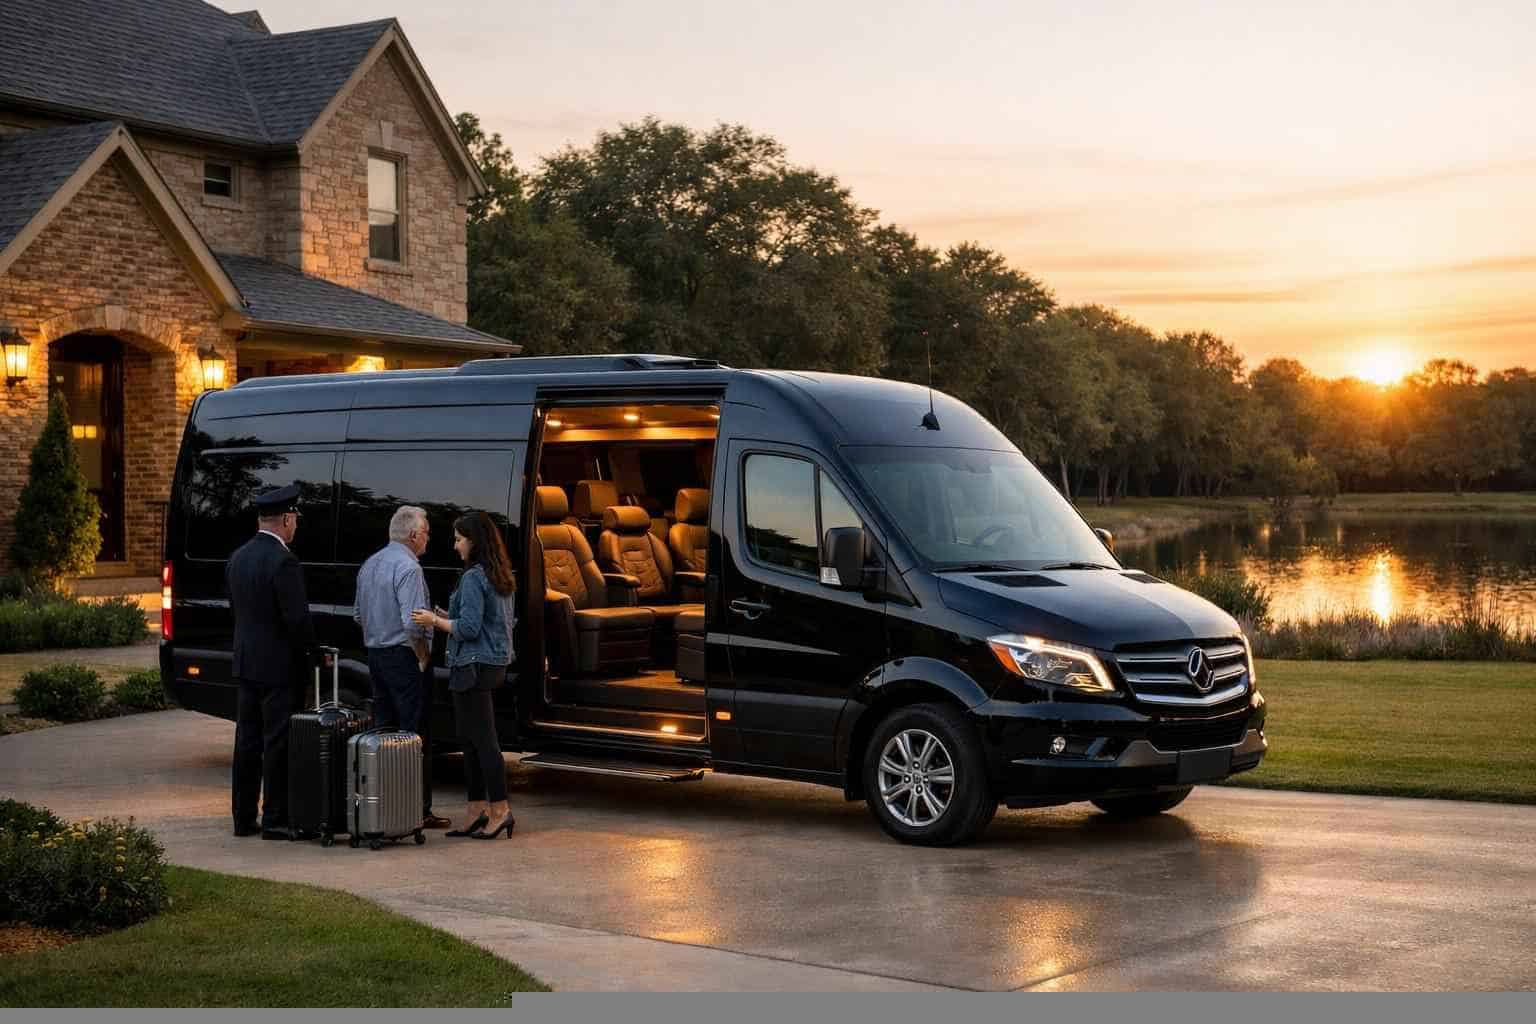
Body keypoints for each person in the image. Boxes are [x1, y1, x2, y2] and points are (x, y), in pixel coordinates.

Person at [412, 511, 515, 839]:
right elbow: (485, 621)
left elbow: (469, 629)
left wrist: (434, 621)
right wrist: (446, 615)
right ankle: (476, 810)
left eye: (459, 539)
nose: (455, 546)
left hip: (471, 666)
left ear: (474, 541)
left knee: (482, 742)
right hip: (491, 663)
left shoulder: (472, 577)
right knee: (470, 740)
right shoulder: (498, 573)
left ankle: (500, 810)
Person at [354, 505, 452, 830]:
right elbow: (412, 623)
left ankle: (383, 807)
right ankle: (416, 810)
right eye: (426, 533)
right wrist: (423, 656)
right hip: (404, 656)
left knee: (384, 732)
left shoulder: (370, 564)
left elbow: (358, 615)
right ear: (413, 535)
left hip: (376, 655)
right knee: (414, 736)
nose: (428, 538)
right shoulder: (409, 568)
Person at [228, 483, 316, 839]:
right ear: (287, 519)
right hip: (279, 668)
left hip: (246, 662)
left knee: (246, 742)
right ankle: (275, 819)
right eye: (295, 519)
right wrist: (311, 655)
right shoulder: (284, 561)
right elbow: (297, 619)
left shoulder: (238, 557)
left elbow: (239, 611)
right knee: (277, 743)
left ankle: (243, 817)